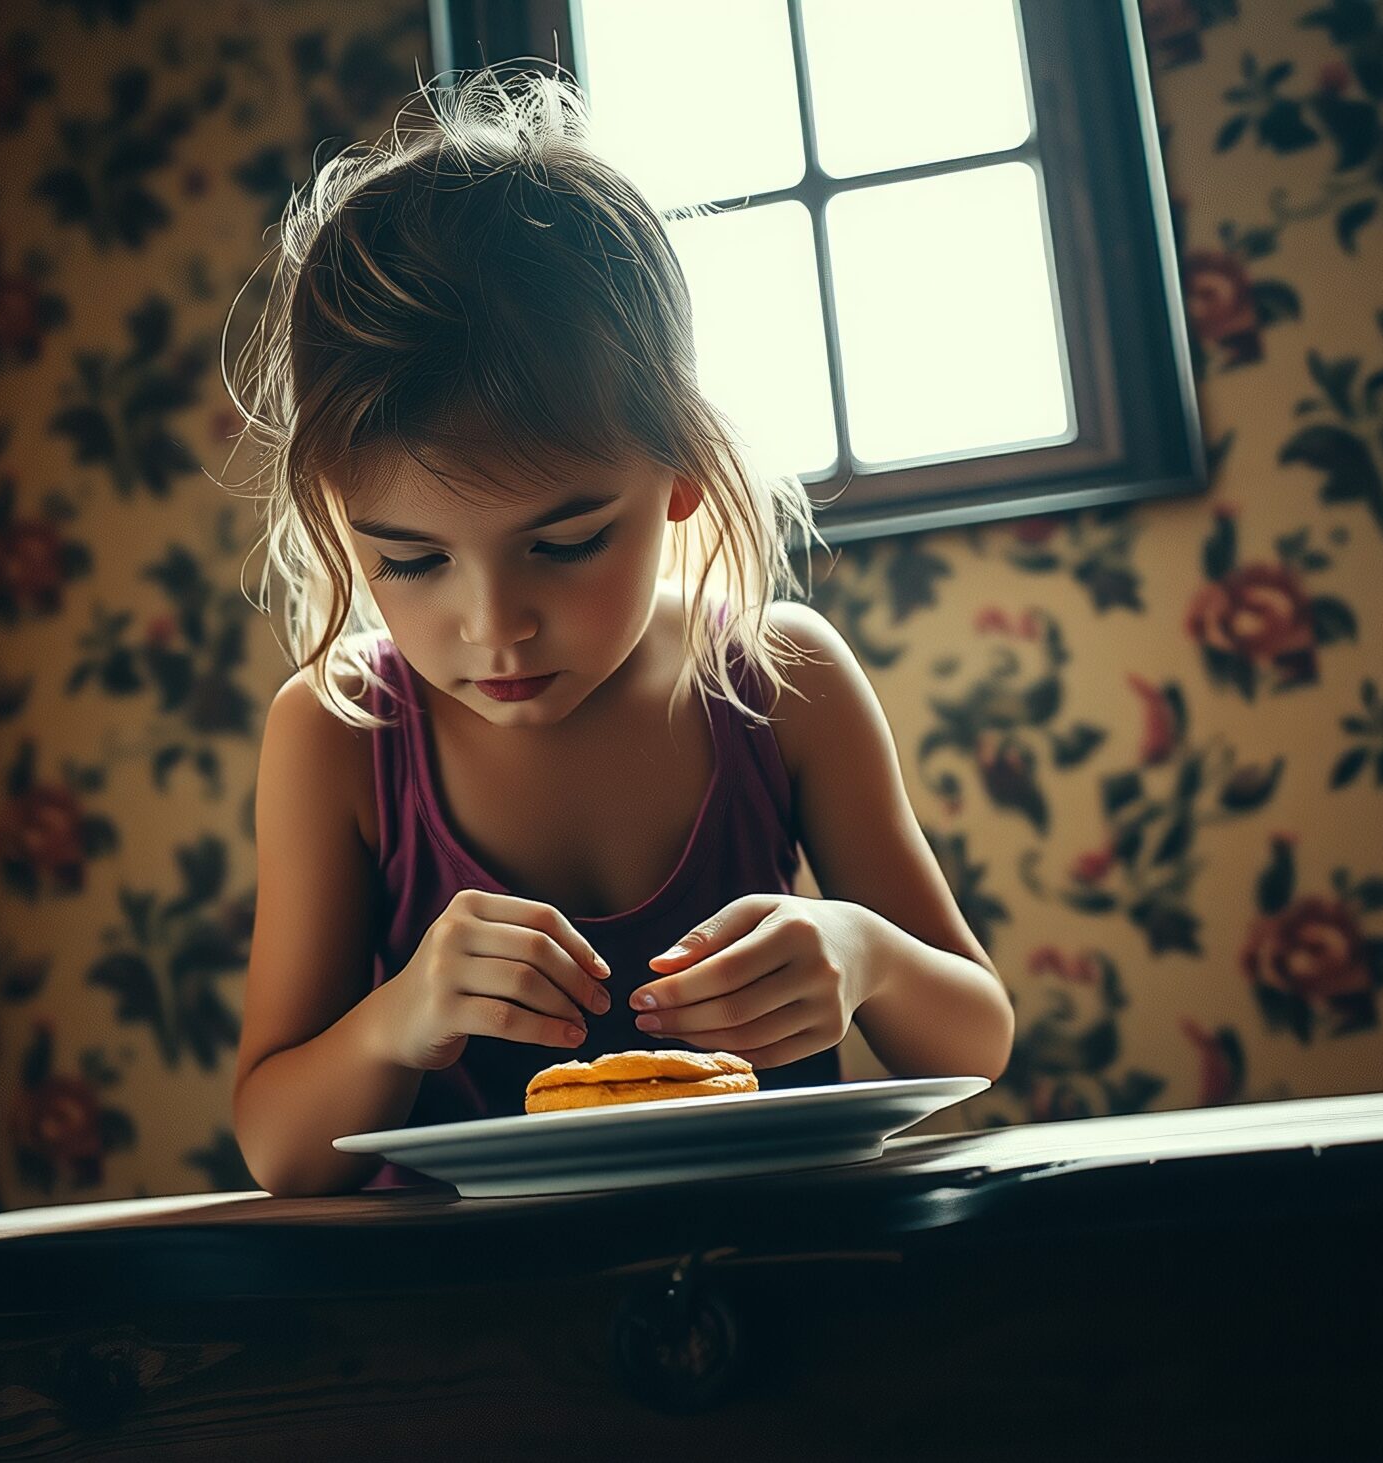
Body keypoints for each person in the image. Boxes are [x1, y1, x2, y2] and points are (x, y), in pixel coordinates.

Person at [222, 65, 1013, 1197]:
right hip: (472, 1317)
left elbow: (976, 1039)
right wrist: (401, 1018)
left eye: (565, 543)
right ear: (342, 519)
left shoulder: (781, 683)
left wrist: (862, 955)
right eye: (411, 560)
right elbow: (277, 1143)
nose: (493, 627)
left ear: (680, 474)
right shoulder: (340, 731)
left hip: (787, 1264)